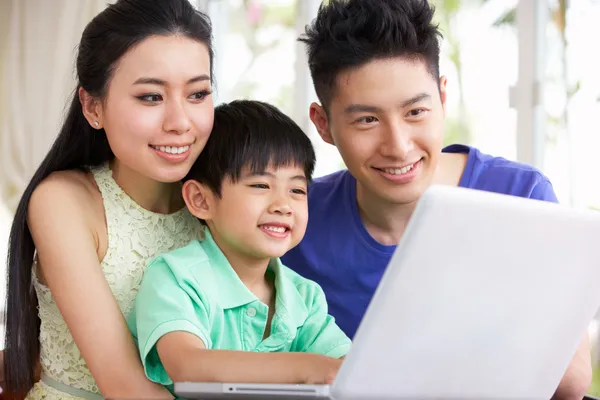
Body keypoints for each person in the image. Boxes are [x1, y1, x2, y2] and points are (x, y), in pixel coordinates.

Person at [280, 0, 593, 399]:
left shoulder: (522, 197)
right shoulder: (296, 218)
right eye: (367, 120)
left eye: (415, 112)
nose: (398, 146)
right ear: (323, 125)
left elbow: (569, 383)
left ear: (443, 98)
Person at [3, 0, 214, 398]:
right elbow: (124, 385)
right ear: (93, 106)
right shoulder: (63, 201)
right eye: (151, 97)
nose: (180, 122)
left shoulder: (216, 204)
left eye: (198, 93)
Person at [128, 100, 350, 394]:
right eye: (261, 185)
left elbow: (345, 365)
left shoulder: (305, 297)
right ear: (201, 200)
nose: (283, 205)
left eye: (297, 190)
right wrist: (305, 368)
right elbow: (186, 365)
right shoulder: (177, 277)